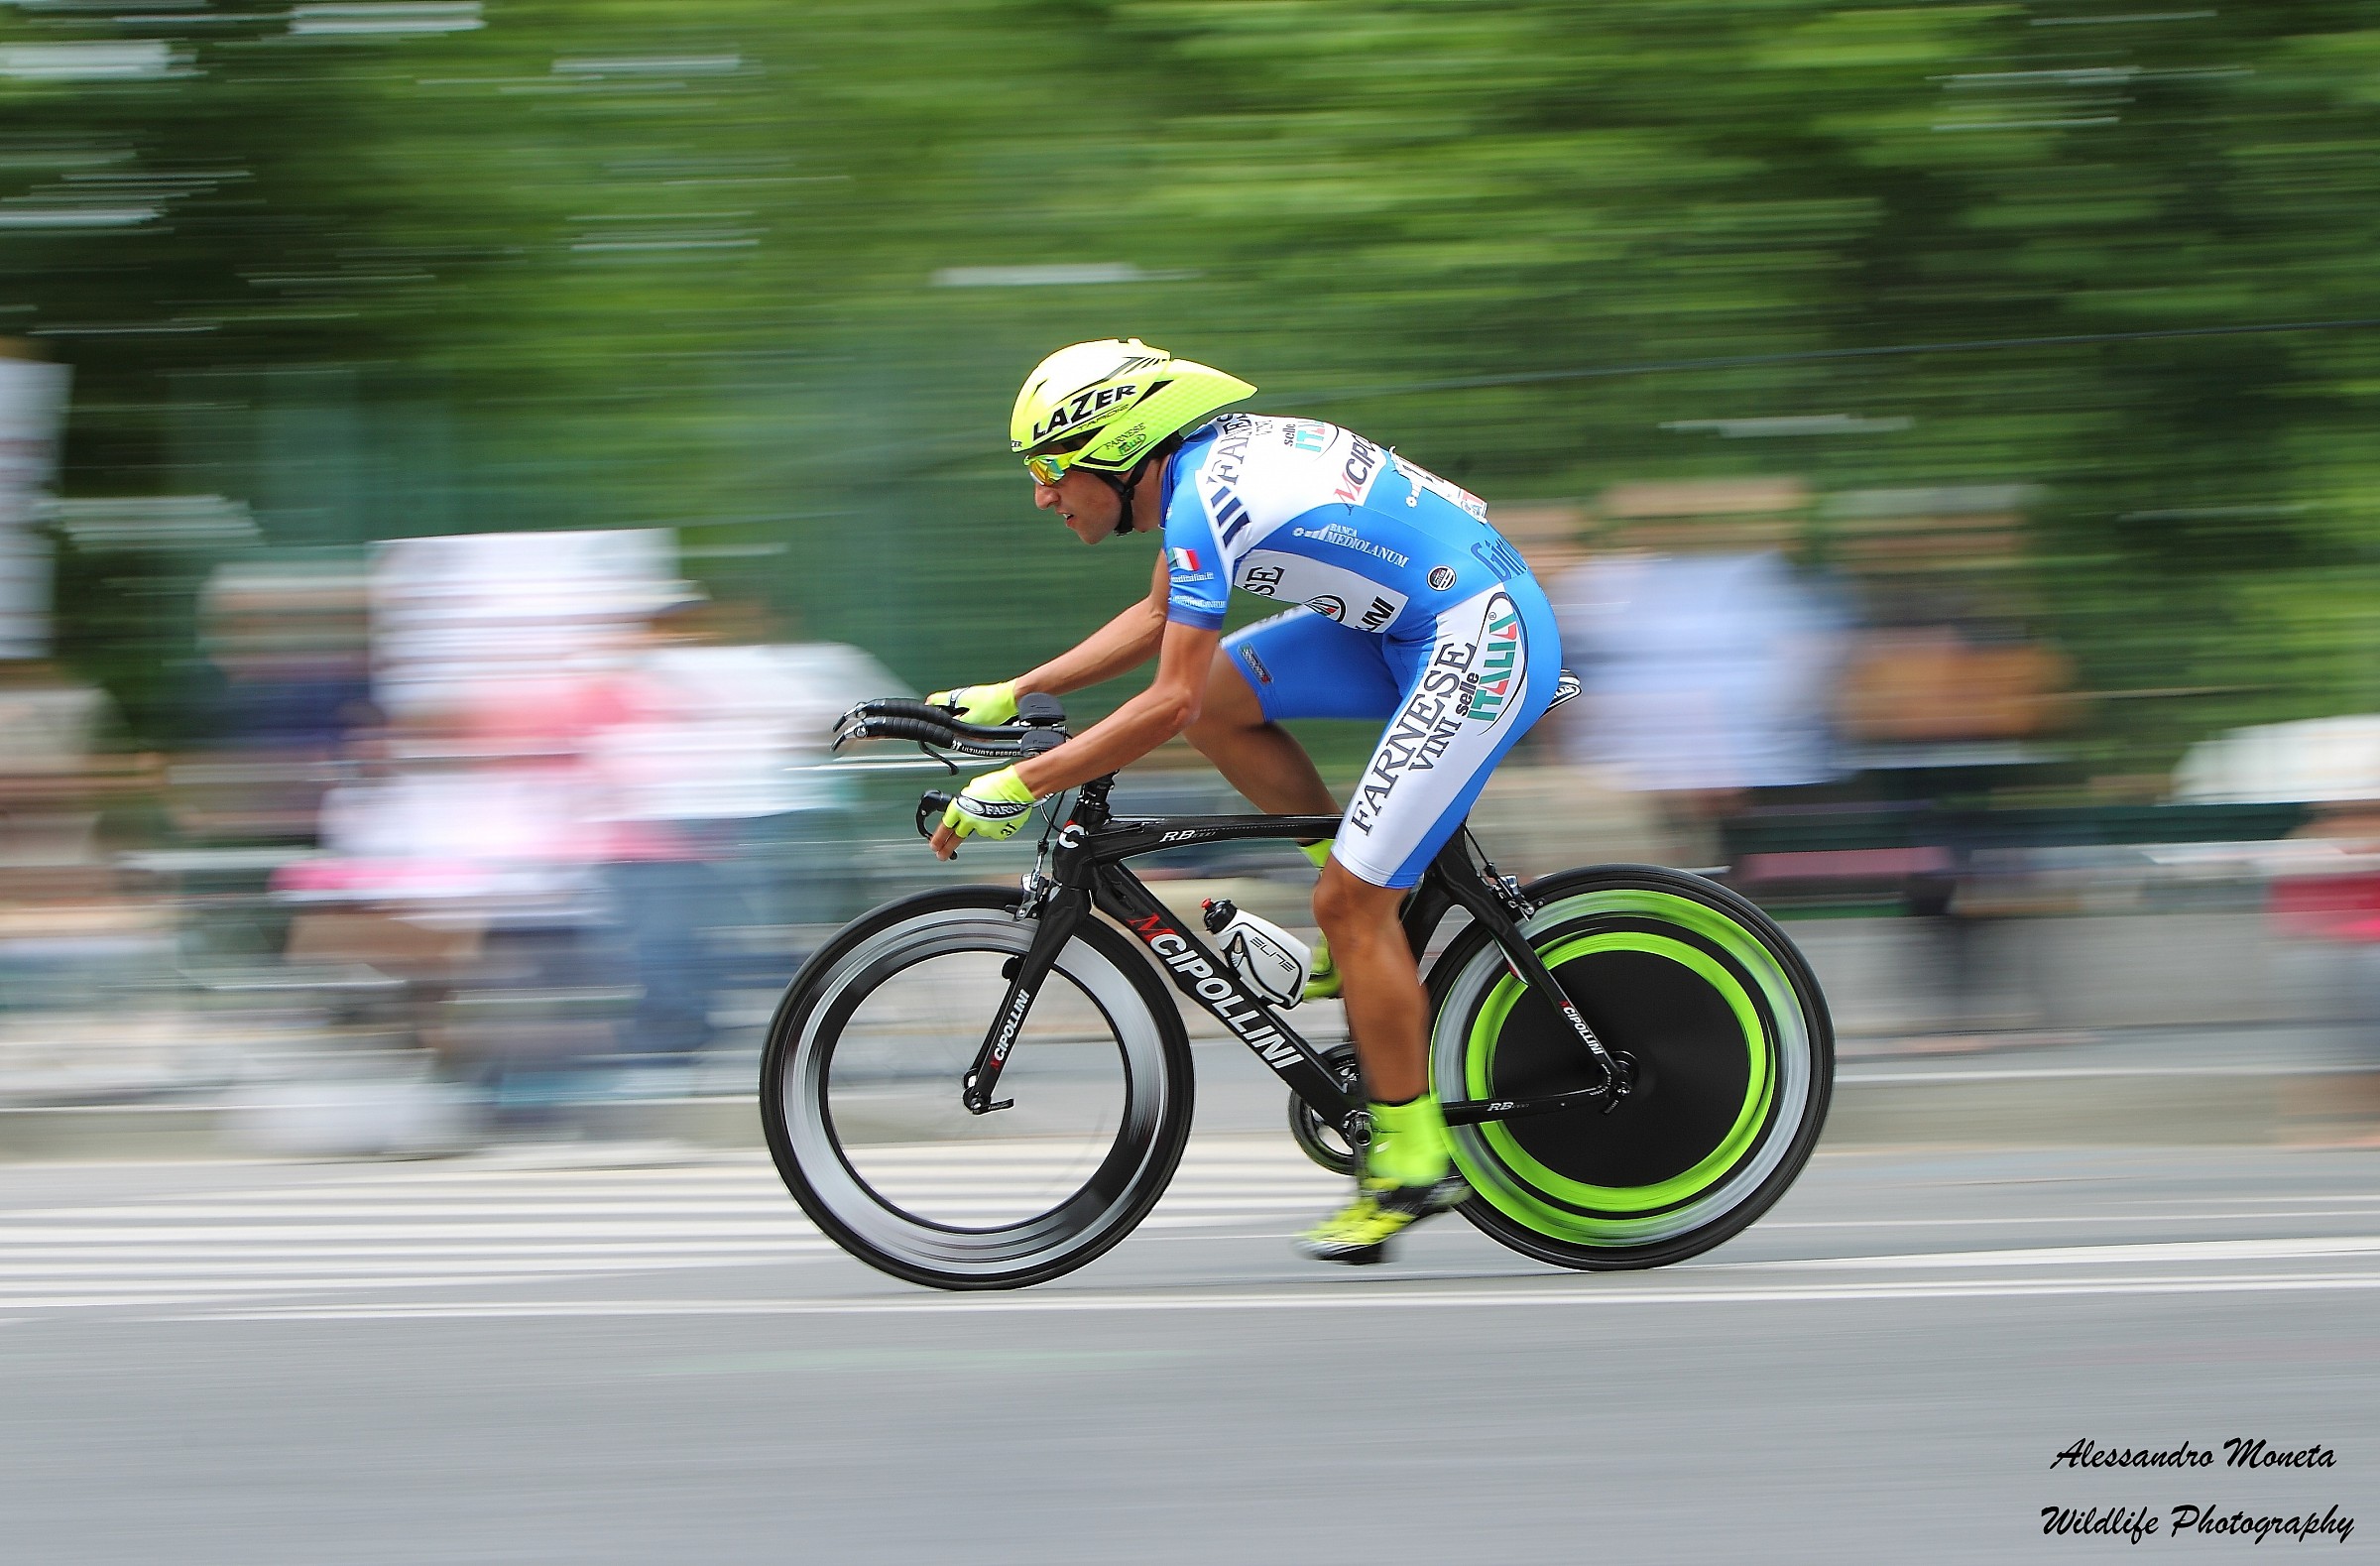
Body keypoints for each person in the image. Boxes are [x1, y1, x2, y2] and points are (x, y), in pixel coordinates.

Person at [926, 338, 1563, 1265]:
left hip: (1477, 634)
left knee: (1351, 902)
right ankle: (1361, 933)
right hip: (1416, 620)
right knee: (1228, 700)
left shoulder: (1202, 498)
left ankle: (1414, 1158)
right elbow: (1158, 623)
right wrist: (1017, 689)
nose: (1043, 495)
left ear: (1119, 447)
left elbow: (1163, 699)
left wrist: (1019, 784)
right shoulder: (1200, 473)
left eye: (1053, 470)